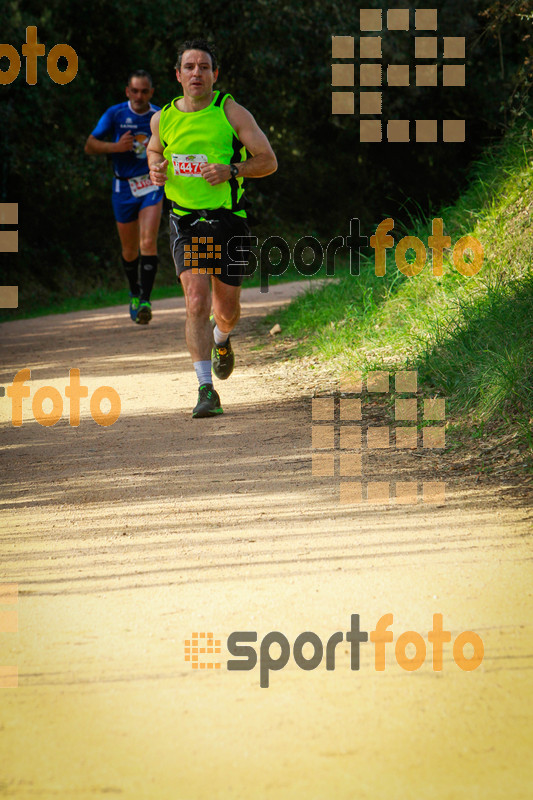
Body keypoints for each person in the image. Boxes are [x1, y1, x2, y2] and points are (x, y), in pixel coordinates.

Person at [147, 40, 277, 417]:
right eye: (189, 67)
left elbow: (268, 160)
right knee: (196, 301)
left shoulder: (230, 112)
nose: (196, 73)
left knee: (226, 310)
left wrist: (232, 170)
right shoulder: (164, 118)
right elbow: (156, 150)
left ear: (214, 75)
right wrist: (155, 166)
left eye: (204, 67)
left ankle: (222, 339)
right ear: (178, 75)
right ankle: (206, 389)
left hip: (228, 222)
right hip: (187, 220)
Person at [85, 70, 164, 324]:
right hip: (123, 187)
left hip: (150, 184)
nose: (139, 96)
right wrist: (115, 147)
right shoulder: (116, 114)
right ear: (127, 91)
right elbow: (90, 145)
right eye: (135, 91)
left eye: (144, 91)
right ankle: (134, 291)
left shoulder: (159, 115)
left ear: (151, 93)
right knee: (129, 249)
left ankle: (145, 301)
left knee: (147, 242)